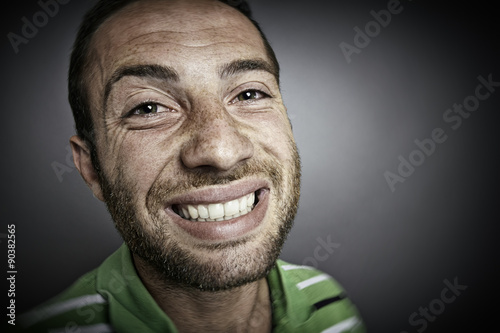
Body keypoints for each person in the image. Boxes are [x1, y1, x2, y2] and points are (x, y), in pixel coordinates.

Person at [19, 0, 365, 332]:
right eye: (148, 108)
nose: (221, 151)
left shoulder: (330, 301)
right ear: (91, 167)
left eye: (249, 94)